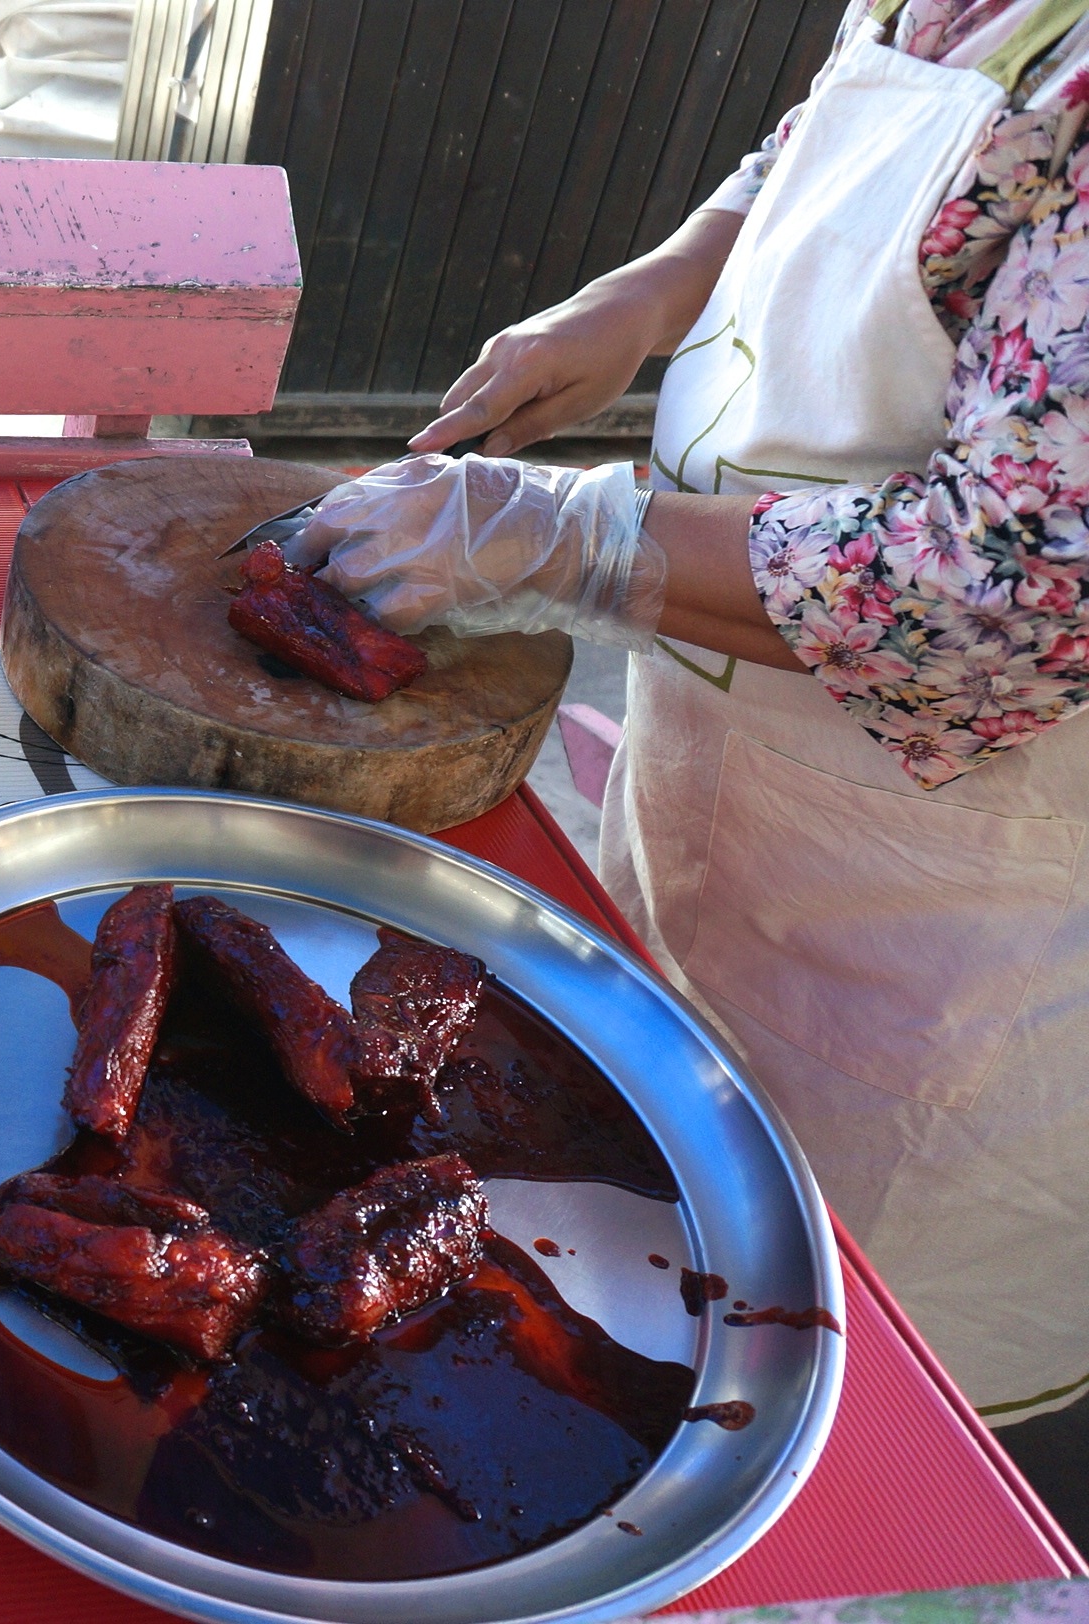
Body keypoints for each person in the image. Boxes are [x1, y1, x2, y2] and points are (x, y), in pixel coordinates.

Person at [291, 0, 1089, 1455]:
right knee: (631, 1235)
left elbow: (1011, 586)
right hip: (725, 774)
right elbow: (817, 155)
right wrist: (650, 294)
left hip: (948, 926)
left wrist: (571, 539)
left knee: (839, 1378)